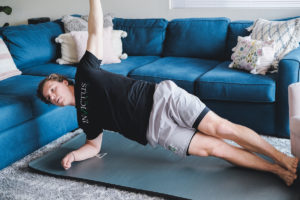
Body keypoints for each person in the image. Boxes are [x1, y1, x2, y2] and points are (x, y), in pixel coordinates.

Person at [37, 0, 298, 186]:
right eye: (49, 99)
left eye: (51, 89)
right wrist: (74, 154)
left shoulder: (85, 73)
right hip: (156, 132)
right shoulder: (84, 119)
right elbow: (94, 146)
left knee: (221, 128)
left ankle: (281, 157)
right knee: (213, 149)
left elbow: (94, 29)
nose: (53, 97)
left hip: (163, 99)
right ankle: (275, 169)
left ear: (60, 80)